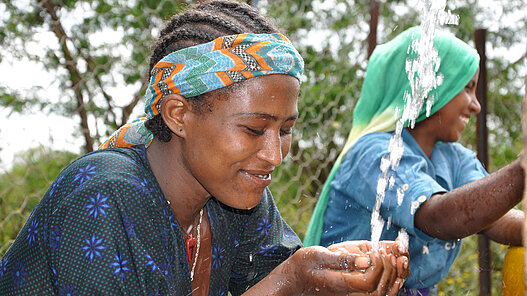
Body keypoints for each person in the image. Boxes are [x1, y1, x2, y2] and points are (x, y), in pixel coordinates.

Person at [0, 1, 410, 295]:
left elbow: (275, 271)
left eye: (285, 130)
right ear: (178, 114)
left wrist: (323, 273)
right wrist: (293, 279)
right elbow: (280, 282)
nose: (274, 155)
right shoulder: (106, 195)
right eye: (253, 129)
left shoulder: (232, 198)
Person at [303, 26, 524, 295]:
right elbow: (439, 218)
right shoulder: (375, 153)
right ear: (431, 86)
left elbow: (494, 218)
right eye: (467, 88)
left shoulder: (453, 158)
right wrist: (522, 171)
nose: (475, 105)